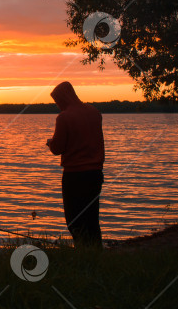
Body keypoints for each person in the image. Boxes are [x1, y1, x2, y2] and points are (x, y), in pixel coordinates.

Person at [45, 82, 105, 247]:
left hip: (75, 175)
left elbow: (58, 148)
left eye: (57, 101)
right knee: (92, 217)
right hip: (95, 174)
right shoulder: (94, 112)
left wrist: (50, 143)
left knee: (74, 219)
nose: (58, 105)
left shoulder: (64, 117)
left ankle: (83, 251)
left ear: (63, 98)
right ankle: (95, 251)